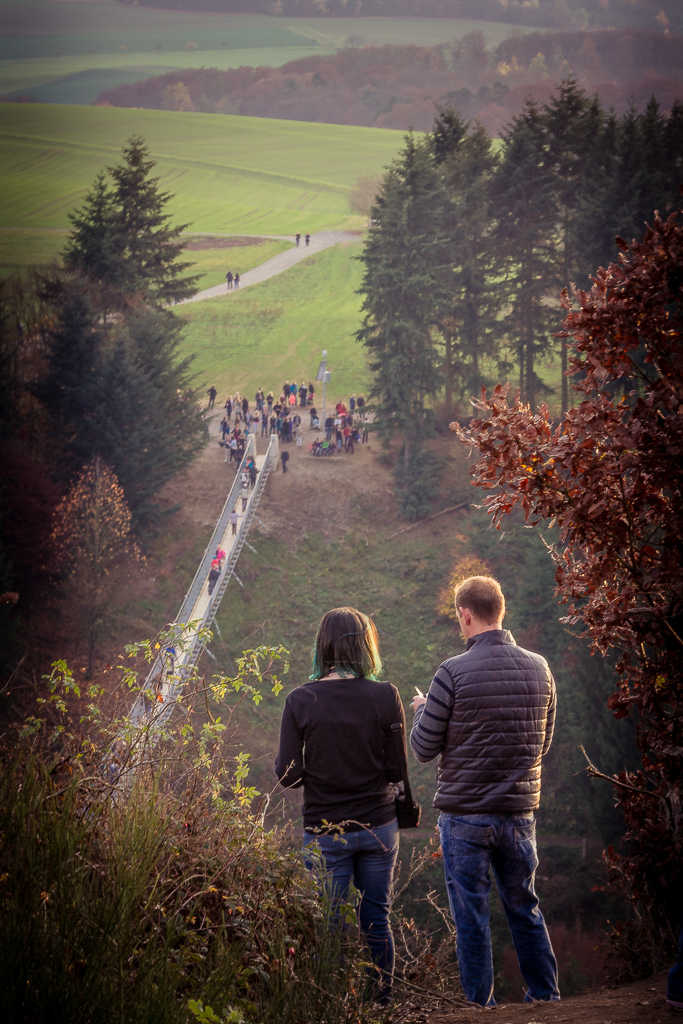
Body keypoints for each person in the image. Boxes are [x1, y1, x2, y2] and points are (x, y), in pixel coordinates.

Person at [410, 576, 559, 1008]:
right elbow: (543, 744)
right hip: (519, 814)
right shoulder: (540, 668)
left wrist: (422, 711)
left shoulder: (451, 672)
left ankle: (480, 1008)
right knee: (525, 908)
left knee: (472, 918)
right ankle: (546, 998)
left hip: (465, 817)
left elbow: (423, 748)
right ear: (501, 611)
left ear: (465, 614)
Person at [275, 607, 405, 1006]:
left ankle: (330, 1004)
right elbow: (396, 770)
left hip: (325, 830)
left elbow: (287, 775)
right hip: (378, 827)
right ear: (366, 646)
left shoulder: (301, 699)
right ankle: (380, 1003)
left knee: (328, 924)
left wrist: (319, 769)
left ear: (323, 646)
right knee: (376, 919)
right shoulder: (386, 695)